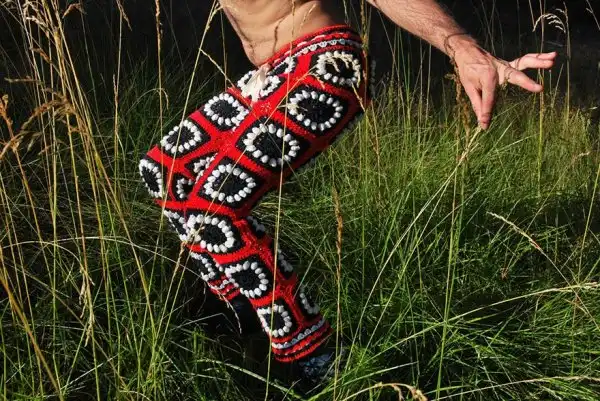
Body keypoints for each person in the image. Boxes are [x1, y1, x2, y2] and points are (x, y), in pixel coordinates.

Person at [138, 0, 556, 388]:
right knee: (164, 170)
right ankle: (238, 309)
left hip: (323, 63)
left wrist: (461, 46)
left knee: (216, 207)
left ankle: (316, 358)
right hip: (272, 73)